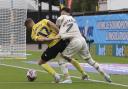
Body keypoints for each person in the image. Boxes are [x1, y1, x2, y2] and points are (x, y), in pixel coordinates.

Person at [55, 7, 112, 83]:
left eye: (62, 13)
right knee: (90, 60)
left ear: (64, 13)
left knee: (61, 59)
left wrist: (59, 23)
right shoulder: (73, 19)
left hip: (75, 41)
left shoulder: (62, 17)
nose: (61, 14)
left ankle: (67, 78)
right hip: (82, 40)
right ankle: (105, 74)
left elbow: (57, 24)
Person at [24, 18, 88, 83]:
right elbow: (52, 24)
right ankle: (84, 74)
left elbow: (42, 39)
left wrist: (50, 39)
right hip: (61, 40)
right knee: (68, 58)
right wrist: (60, 33)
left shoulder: (33, 34)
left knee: (41, 62)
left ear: (28, 25)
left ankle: (56, 76)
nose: (27, 29)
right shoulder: (43, 21)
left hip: (53, 46)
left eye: (27, 27)